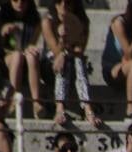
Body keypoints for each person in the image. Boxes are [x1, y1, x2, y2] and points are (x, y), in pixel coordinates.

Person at [43, 0, 100, 129]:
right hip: (50, 65)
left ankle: (87, 108)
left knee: (77, 60)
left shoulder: (82, 22)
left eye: (68, 2)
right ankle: (60, 106)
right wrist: (62, 40)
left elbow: (80, 49)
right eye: (59, 2)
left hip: (72, 62)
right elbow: (55, 51)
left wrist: (65, 52)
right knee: (66, 60)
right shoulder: (48, 21)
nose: (63, 6)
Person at [0, 0, 42, 118]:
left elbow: (32, 43)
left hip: (25, 58)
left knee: (32, 56)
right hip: (6, 59)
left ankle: (36, 102)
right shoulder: (2, 17)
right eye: (15, 0)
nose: (20, 3)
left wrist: (29, 48)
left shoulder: (34, 19)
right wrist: (2, 32)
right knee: (17, 56)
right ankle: (14, 98)